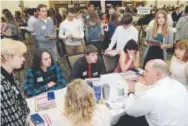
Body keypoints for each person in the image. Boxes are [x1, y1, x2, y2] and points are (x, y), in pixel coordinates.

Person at [125, 59, 188, 126]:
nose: (144, 74)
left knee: (125, 120)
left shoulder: (152, 95)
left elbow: (130, 110)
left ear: (158, 74)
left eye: (146, 71)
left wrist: (131, 92)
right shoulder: (178, 84)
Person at [1, 38, 30, 125]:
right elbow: (14, 121)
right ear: (7, 58)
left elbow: (19, 98)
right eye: (20, 56)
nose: (24, 59)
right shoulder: (1, 86)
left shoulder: (10, 73)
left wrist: (27, 115)